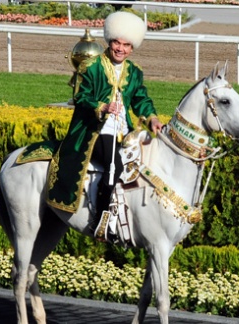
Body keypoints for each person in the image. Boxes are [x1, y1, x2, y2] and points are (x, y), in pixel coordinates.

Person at [46, 11, 163, 232]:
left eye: (126, 45)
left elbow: (140, 99)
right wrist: (102, 106)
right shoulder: (91, 66)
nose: (120, 48)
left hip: (125, 131)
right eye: (116, 43)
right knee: (114, 166)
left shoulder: (135, 72)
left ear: (132, 48)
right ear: (109, 42)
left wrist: (153, 118)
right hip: (94, 130)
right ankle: (101, 221)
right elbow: (81, 96)